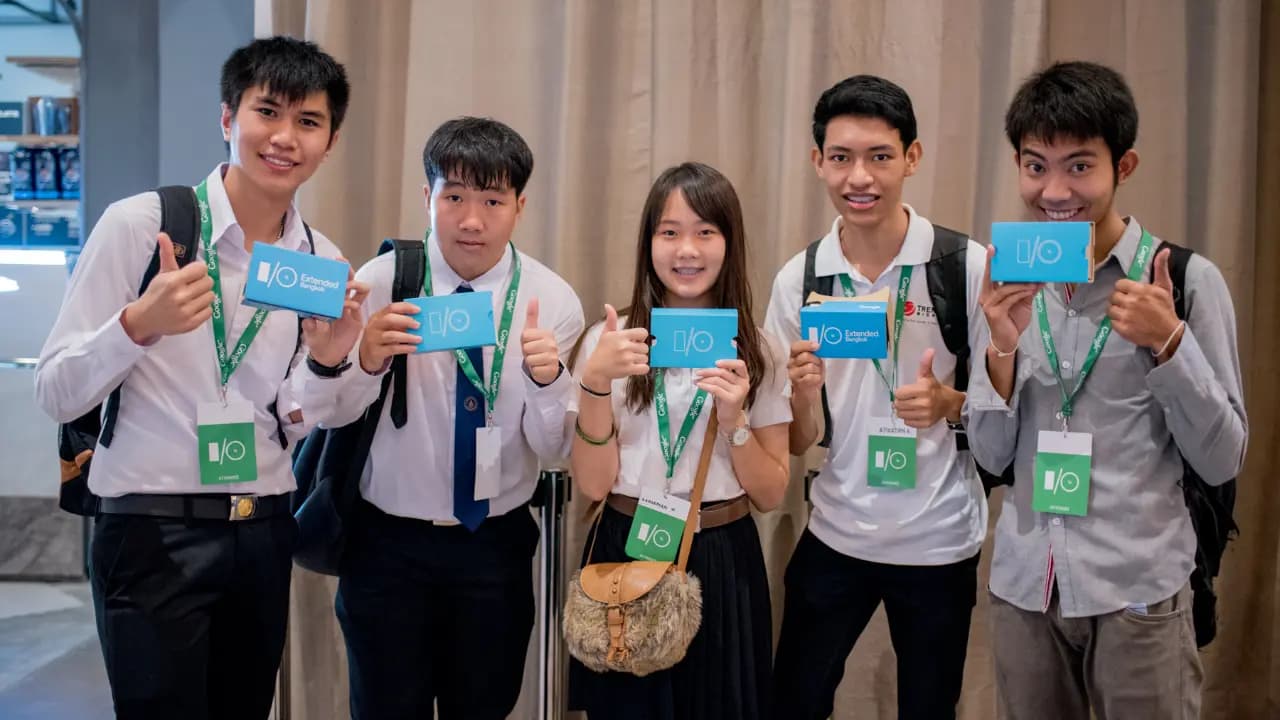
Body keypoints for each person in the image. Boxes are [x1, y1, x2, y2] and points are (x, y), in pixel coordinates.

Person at [34, 36, 363, 719]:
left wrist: (331, 362)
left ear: (329, 142)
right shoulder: (144, 226)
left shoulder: (319, 259)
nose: (284, 137)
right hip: (153, 530)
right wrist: (136, 325)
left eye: (308, 122)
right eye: (266, 111)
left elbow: (301, 416)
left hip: (265, 529)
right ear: (226, 119)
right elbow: (57, 391)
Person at [965, 60, 1248, 719]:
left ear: (1124, 166)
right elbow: (989, 453)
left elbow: (1223, 458)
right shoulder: (1008, 282)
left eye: (1079, 166)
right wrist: (1000, 346)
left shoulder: (1184, 281)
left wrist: (1169, 343)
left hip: (1138, 589)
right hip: (1026, 587)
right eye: (1035, 165)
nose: (1055, 189)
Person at [329, 116, 585, 719]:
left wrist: (548, 382)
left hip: (492, 547)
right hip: (386, 546)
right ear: (428, 197)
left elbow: (552, 448)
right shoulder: (383, 281)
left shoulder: (551, 299)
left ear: (520, 206)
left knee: (484, 706)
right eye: (455, 197)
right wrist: (365, 359)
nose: (472, 220)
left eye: (493, 200)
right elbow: (330, 415)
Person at [766, 75, 988, 720]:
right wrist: (804, 396)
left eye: (879, 157)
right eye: (841, 158)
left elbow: (1011, 404)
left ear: (911, 159)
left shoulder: (964, 265)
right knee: (795, 698)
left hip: (939, 539)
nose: (858, 177)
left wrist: (950, 402)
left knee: (928, 705)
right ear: (818, 163)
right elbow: (798, 438)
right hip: (837, 530)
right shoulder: (801, 277)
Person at [568, 161, 791, 719]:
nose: (686, 250)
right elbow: (592, 483)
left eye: (704, 232)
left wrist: (736, 419)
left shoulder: (759, 349)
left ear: (728, 242)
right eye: (669, 232)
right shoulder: (611, 340)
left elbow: (771, 494)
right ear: (648, 243)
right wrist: (595, 382)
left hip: (722, 554)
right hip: (626, 545)